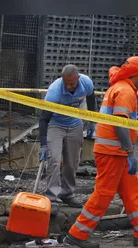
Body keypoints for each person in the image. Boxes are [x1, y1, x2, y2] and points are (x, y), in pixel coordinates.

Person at [64, 57, 138, 248]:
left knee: (131, 193)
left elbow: (125, 123)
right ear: (136, 74)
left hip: (113, 150)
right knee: (103, 194)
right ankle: (76, 235)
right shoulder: (125, 91)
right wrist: (130, 151)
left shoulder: (119, 87)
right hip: (113, 151)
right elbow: (120, 124)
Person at [39, 64, 97, 215]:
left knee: (72, 162)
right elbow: (44, 119)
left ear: (78, 78)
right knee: (54, 160)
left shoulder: (86, 83)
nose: (69, 86)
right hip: (55, 125)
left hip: (75, 124)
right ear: (62, 79)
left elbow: (91, 99)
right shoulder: (54, 92)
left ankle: (67, 193)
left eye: (72, 83)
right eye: (66, 83)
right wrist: (44, 144)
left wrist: (92, 120)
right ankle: (52, 197)